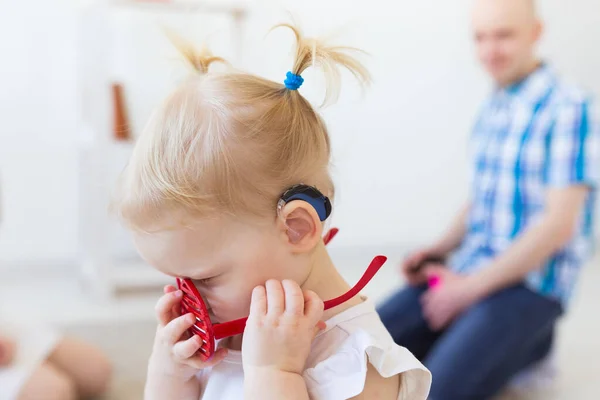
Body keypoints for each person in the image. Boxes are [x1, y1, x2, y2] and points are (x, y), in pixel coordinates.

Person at [112, 23, 431, 400]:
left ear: (295, 228)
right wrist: (169, 373)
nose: (190, 301)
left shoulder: (359, 364)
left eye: (205, 279)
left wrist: (273, 374)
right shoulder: (227, 330)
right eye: (181, 282)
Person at [377, 0, 600, 399]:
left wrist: (465, 291)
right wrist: (439, 250)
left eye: (504, 35)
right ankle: (513, 340)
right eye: (480, 38)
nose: (489, 51)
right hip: (471, 267)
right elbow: (482, 199)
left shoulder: (570, 107)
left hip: (529, 286)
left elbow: (557, 226)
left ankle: (533, 341)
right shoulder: (495, 105)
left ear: (535, 33)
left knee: (438, 389)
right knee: (367, 348)